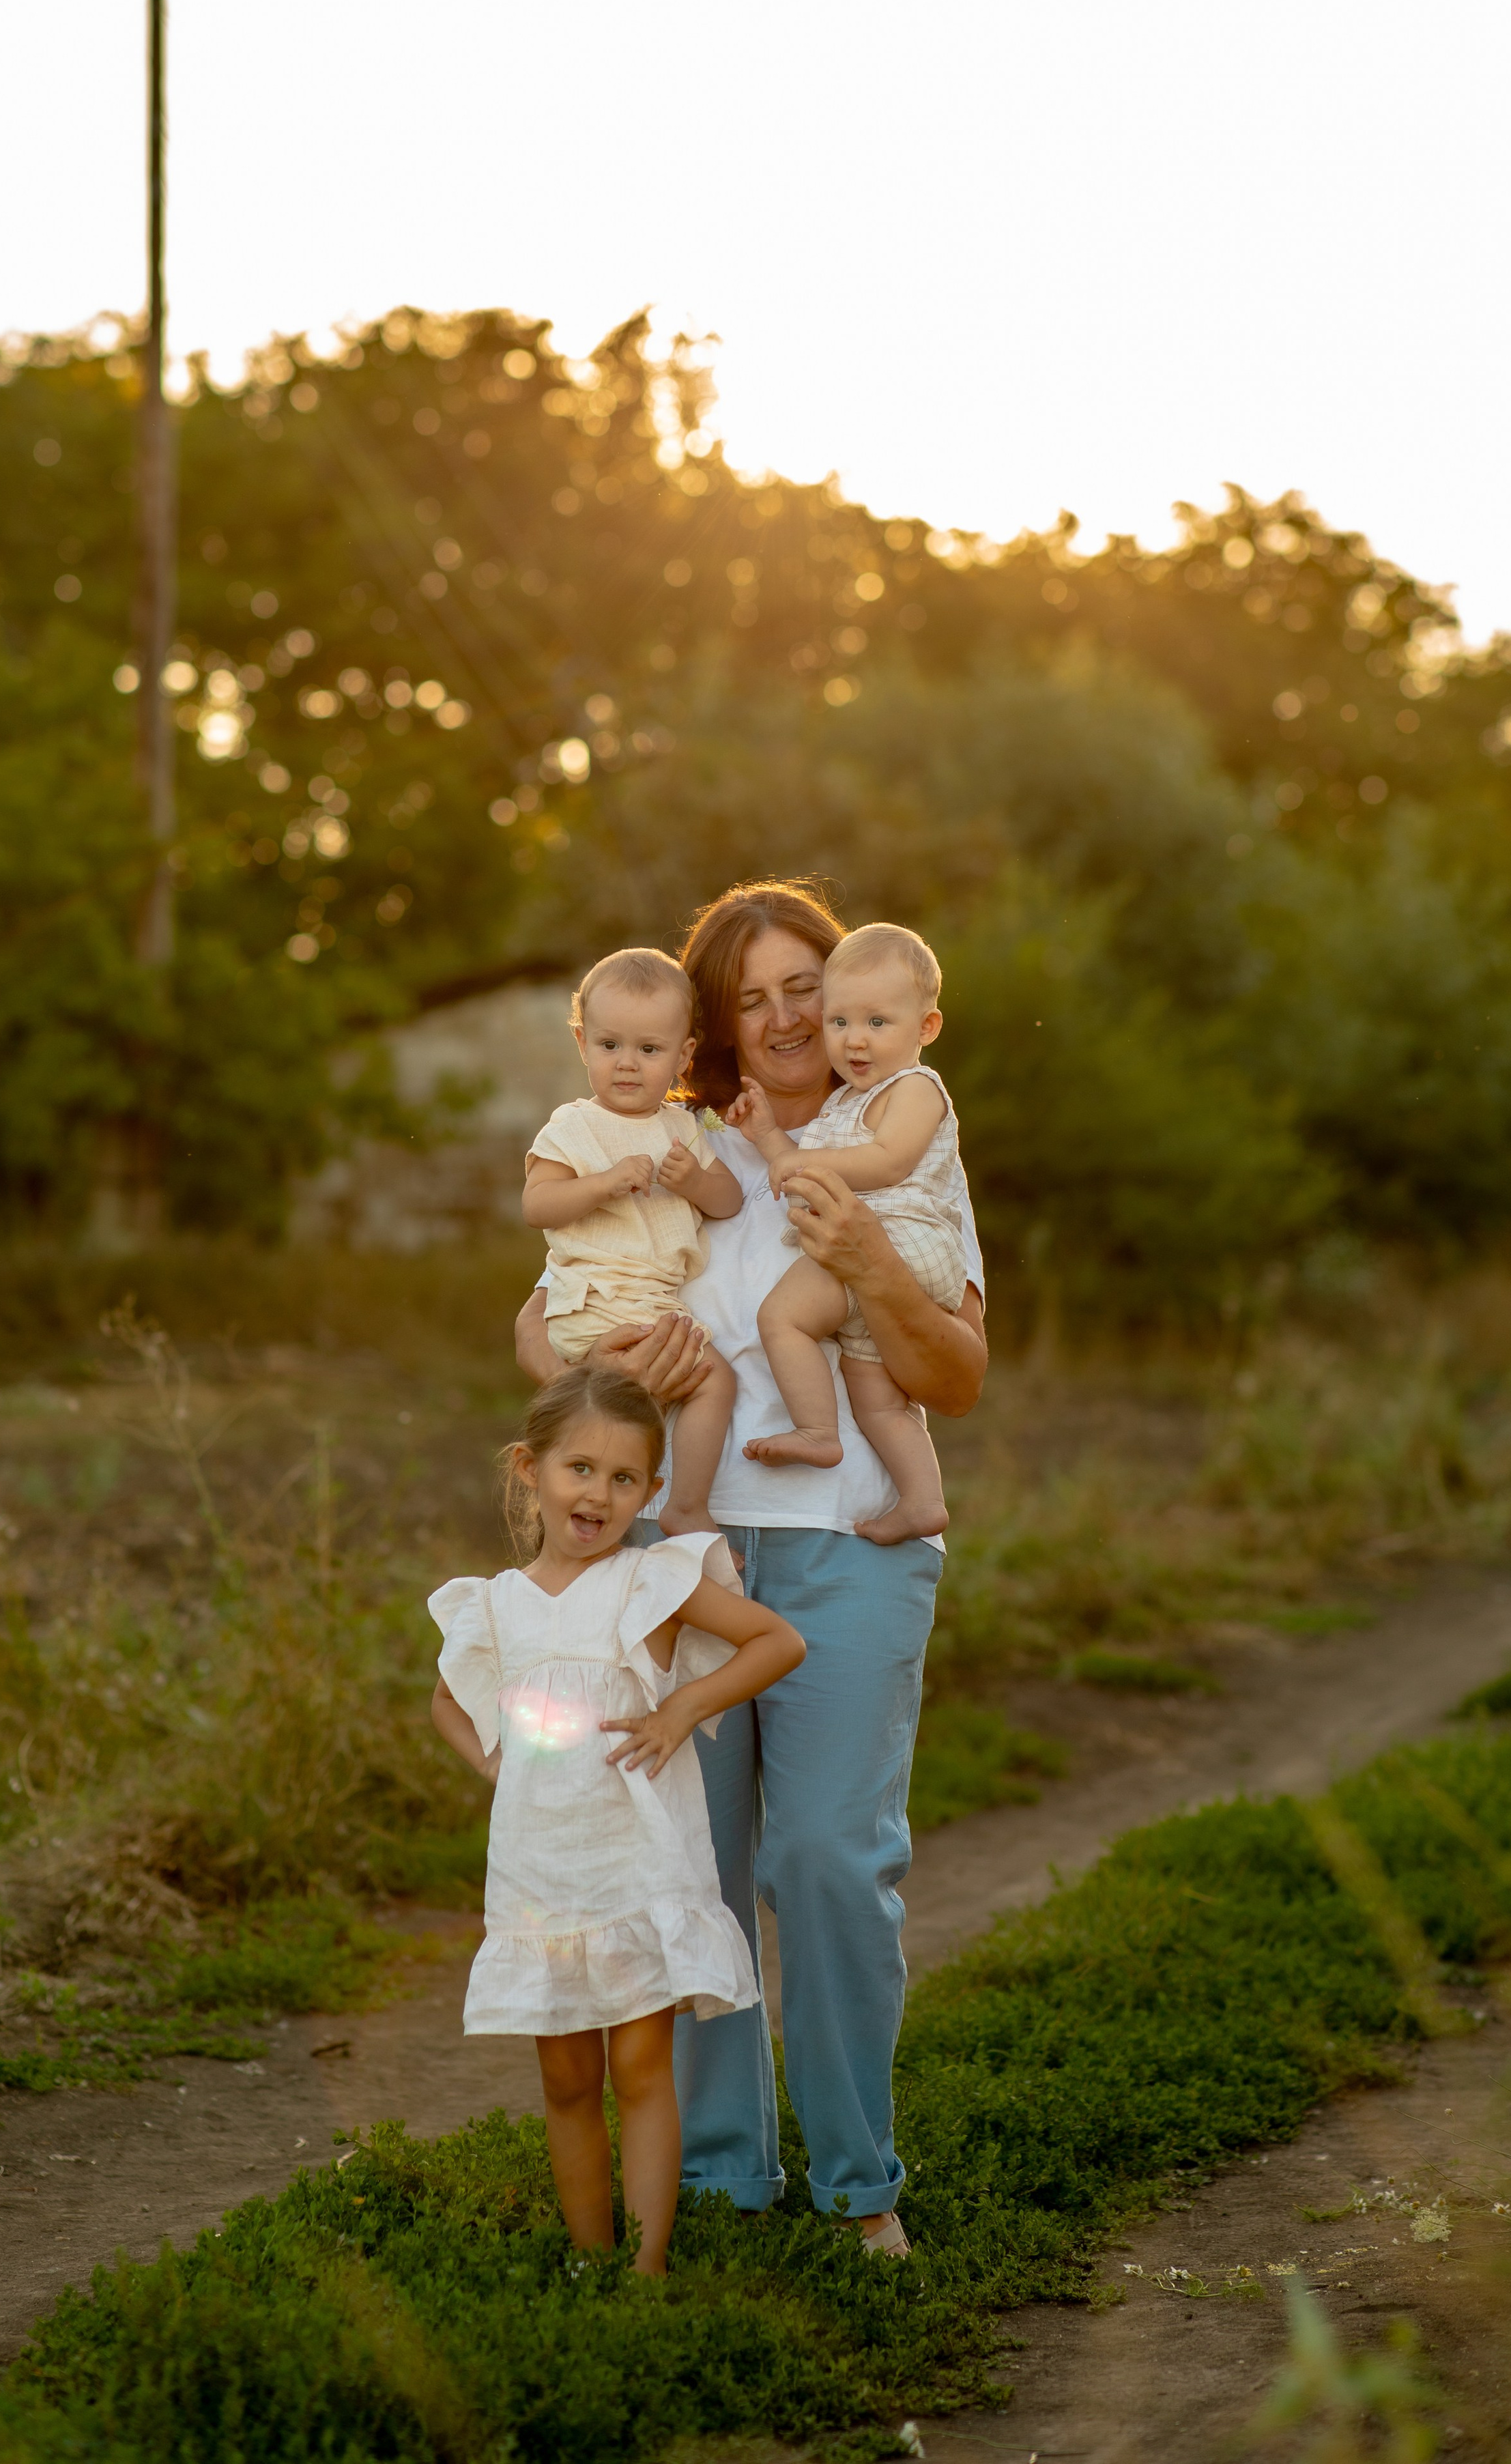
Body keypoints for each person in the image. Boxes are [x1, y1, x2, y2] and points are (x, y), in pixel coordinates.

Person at [515, 880, 986, 2259]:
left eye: (812, 989)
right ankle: (723, 2177)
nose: (788, 1017)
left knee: (831, 1861)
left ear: (857, 1008)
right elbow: (538, 1332)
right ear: (717, 1020)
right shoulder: (669, 1147)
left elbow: (953, 1375)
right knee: (693, 1870)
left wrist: (870, 1270)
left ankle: (857, 2185)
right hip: (677, 1557)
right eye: (757, 996)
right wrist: (609, 1365)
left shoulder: (894, 1138)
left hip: (851, 1551)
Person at [428, 1363, 805, 2277]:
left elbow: (777, 1641)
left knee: (641, 2071)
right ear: (531, 1469)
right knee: (565, 2079)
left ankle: (646, 2270)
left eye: (625, 1478)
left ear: (650, 1490)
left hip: (636, 1868)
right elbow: (449, 1699)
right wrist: (498, 1760)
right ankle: (590, 2260)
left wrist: (682, 1710)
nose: (599, 1493)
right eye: (580, 1469)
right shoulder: (496, 1603)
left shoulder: (652, 1582)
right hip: (541, 1875)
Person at [730, 921, 964, 1544]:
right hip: (880, 1268)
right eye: (840, 1023)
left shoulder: (916, 1088)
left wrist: (800, 1163)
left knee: (783, 1316)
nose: (854, 1042)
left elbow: (887, 1162)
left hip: (900, 1246)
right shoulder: (847, 1105)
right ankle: (922, 1501)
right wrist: (768, 1140)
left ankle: (817, 1433)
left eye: (877, 1024)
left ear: (927, 1028)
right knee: (880, 1400)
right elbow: (803, 1156)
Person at [521, 947, 743, 1538]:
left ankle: (678, 1505)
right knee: (644, 1405)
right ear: (581, 1043)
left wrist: (693, 1181)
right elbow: (536, 1204)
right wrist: (602, 1184)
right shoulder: (573, 1126)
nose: (627, 1064)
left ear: (683, 1056)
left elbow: (730, 1201)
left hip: (655, 1305)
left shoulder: (682, 1129)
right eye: (609, 1045)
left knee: (710, 1382)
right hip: (597, 1302)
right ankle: (627, 1516)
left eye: (649, 1050)